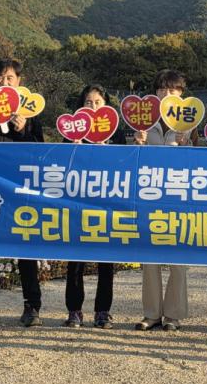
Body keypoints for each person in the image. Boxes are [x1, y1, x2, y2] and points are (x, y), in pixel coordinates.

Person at [131, 69, 195, 331]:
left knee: (178, 263)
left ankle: (173, 316)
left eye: (173, 89)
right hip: (150, 199)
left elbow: (200, 164)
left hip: (180, 200)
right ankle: (152, 314)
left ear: (181, 93)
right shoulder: (143, 122)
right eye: (162, 89)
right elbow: (131, 163)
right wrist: (138, 143)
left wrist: (187, 143)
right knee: (150, 261)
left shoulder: (190, 122)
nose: (167, 94)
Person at [63, 83, 127, 329]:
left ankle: (102, 311)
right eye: (88, 102)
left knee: (106, 258)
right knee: (75, 258)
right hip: (78, 200)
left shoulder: (116, 132)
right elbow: (60, 163)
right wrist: (75, 148)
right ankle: (74, 310)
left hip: (107, 201)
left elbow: (125, 163)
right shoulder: (72, 131)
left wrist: (106, 152)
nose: (93, 107)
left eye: (98, 102)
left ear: (106, 105)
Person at [0, 58, 46, 328]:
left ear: (19, 82)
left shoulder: (31, 114)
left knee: (26, 248)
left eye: (9, 77)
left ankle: (32, 305)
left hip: (21, 190)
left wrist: (23, 130)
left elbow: (40, 153)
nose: (4, 82)